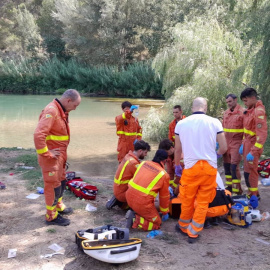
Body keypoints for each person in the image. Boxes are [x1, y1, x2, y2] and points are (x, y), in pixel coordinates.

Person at [174, 97, 227, 243]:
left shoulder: (181, 124)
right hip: (209, 169)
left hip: (191, 168)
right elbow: (224, 148)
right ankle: (194, 233)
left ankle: (183, 226)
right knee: (203, 202)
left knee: (187, 199)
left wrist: (177, 165)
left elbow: (177, 150)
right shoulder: (215, 122)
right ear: (206, 107)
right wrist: (215, 155)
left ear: (192, 108)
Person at [34, 89, 81, 226]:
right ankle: (51, 216)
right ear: (68, 101)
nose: (75, 108)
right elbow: (38, 135)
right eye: (75, 105)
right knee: (52, 185)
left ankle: (59, 206)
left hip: (59, 156)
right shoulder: (52, 111)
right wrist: (47, 153)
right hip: (51, 159)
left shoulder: (61, 111)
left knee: (61, 180)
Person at [125, 150, 170, 231]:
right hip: (142, 203)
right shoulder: (164, 175)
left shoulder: (143, 163)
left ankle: (136, 212)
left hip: (128, 198)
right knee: (157, 223)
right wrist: (164, 211)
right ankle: (135, 220)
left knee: (151, 203)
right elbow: (164, 197)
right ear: (165, 161)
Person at [240, 88, 267, 200]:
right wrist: (242, 143)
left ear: (253, 98)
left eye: (245, 101)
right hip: (247, 144)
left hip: (253, 147)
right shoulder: (250, 110)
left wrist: (253, 151)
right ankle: (253, 193)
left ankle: (255, 196)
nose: (245, 104)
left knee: (251, 172)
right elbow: (246, 130)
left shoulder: (258, 112)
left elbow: (262, 136)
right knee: (247, 171)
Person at [106, 140, 151, 210]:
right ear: (140, 151)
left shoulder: (128, 156)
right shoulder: (133, 164)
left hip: (118, 189)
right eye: (145, 152)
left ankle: (120, 200)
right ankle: (124, 203)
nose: (146, 155)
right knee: (144, 191)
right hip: (122, 193)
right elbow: (143, 178)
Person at [222, 94, 244, 195]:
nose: (228, 104)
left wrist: (243, 144)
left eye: (230, 101)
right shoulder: (226, 113)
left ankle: (237, 190)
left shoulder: (243, 112)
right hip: (226, 143)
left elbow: (247, 130)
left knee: (234, 167)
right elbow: (223, 129)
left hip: (237, 143)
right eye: (227, 102)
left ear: (235, 100)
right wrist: (220, 142)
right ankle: (230, 187)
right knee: (226, 166)